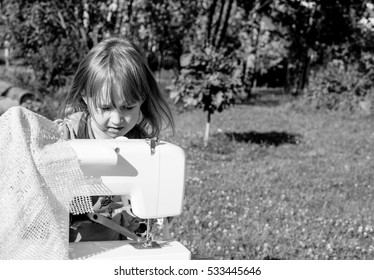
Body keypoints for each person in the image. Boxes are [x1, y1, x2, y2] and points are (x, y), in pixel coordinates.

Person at [55, 36, 175, 242]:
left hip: (119, 247)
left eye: (128, 107)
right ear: (85, 95)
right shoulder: (68, 136)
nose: (117, 119)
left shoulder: (143, 146)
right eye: (106, 107)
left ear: (142, 99)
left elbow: (151, 209)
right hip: (71, 248)